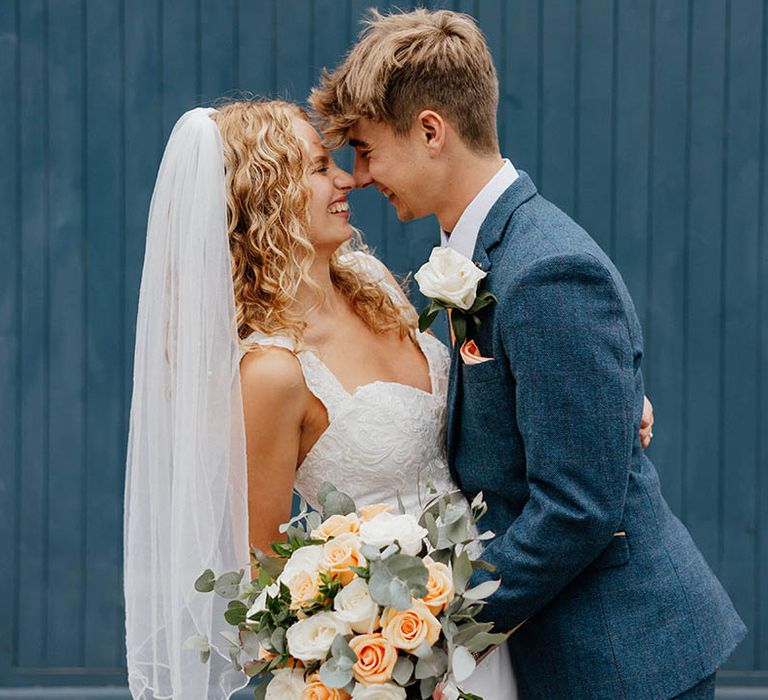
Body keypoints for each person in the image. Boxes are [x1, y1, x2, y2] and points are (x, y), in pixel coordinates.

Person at [123, 99, 654, 699]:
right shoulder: (272, 373)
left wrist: (598, 403)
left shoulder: (373, 287)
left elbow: (479, 408)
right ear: (265, 197)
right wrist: (365, 644)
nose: (349, 177)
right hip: (408, 654)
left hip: (508, 601)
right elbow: (268, 582)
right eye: (321, 167)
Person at [310, 7, 747, 700]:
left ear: (431, 131)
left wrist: (431, 627)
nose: (359, 176)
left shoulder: (546, 269)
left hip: (621, 660)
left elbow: (577, 506)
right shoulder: (481, 254)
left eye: (366, 150)